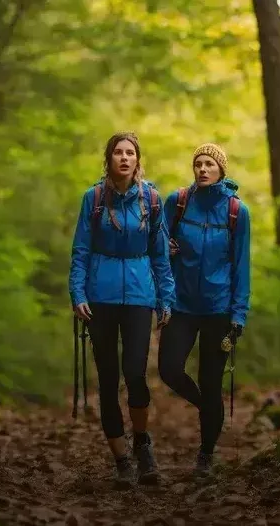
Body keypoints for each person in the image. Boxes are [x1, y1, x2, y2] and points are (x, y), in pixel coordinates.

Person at [69, 131, 175, 487]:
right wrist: (77, 292)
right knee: (108, 379)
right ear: (109, 159)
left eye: (130, 153)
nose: (124, 158)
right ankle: (121, 461)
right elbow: (81, 249)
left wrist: (165, 298)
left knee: (135, 373)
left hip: (140, 296)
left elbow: (160, 255)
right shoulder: (94, 198)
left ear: (137, 160)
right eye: (118, 152)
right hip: (99, 296)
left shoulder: (152, 200)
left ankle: (143, 443)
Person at [158, 142, 251, 478]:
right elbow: (156, 246)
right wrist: (164, 251)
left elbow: (242, 266)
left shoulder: (237, 211)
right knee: (169, 369)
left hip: (218, 309)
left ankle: (206, 457)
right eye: (198, 163)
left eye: (209, 163)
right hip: (181, 305)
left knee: (211, 383)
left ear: (221, 170)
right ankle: (207, 409)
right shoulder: (178, 202)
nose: (202, 168)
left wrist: (239, 315)